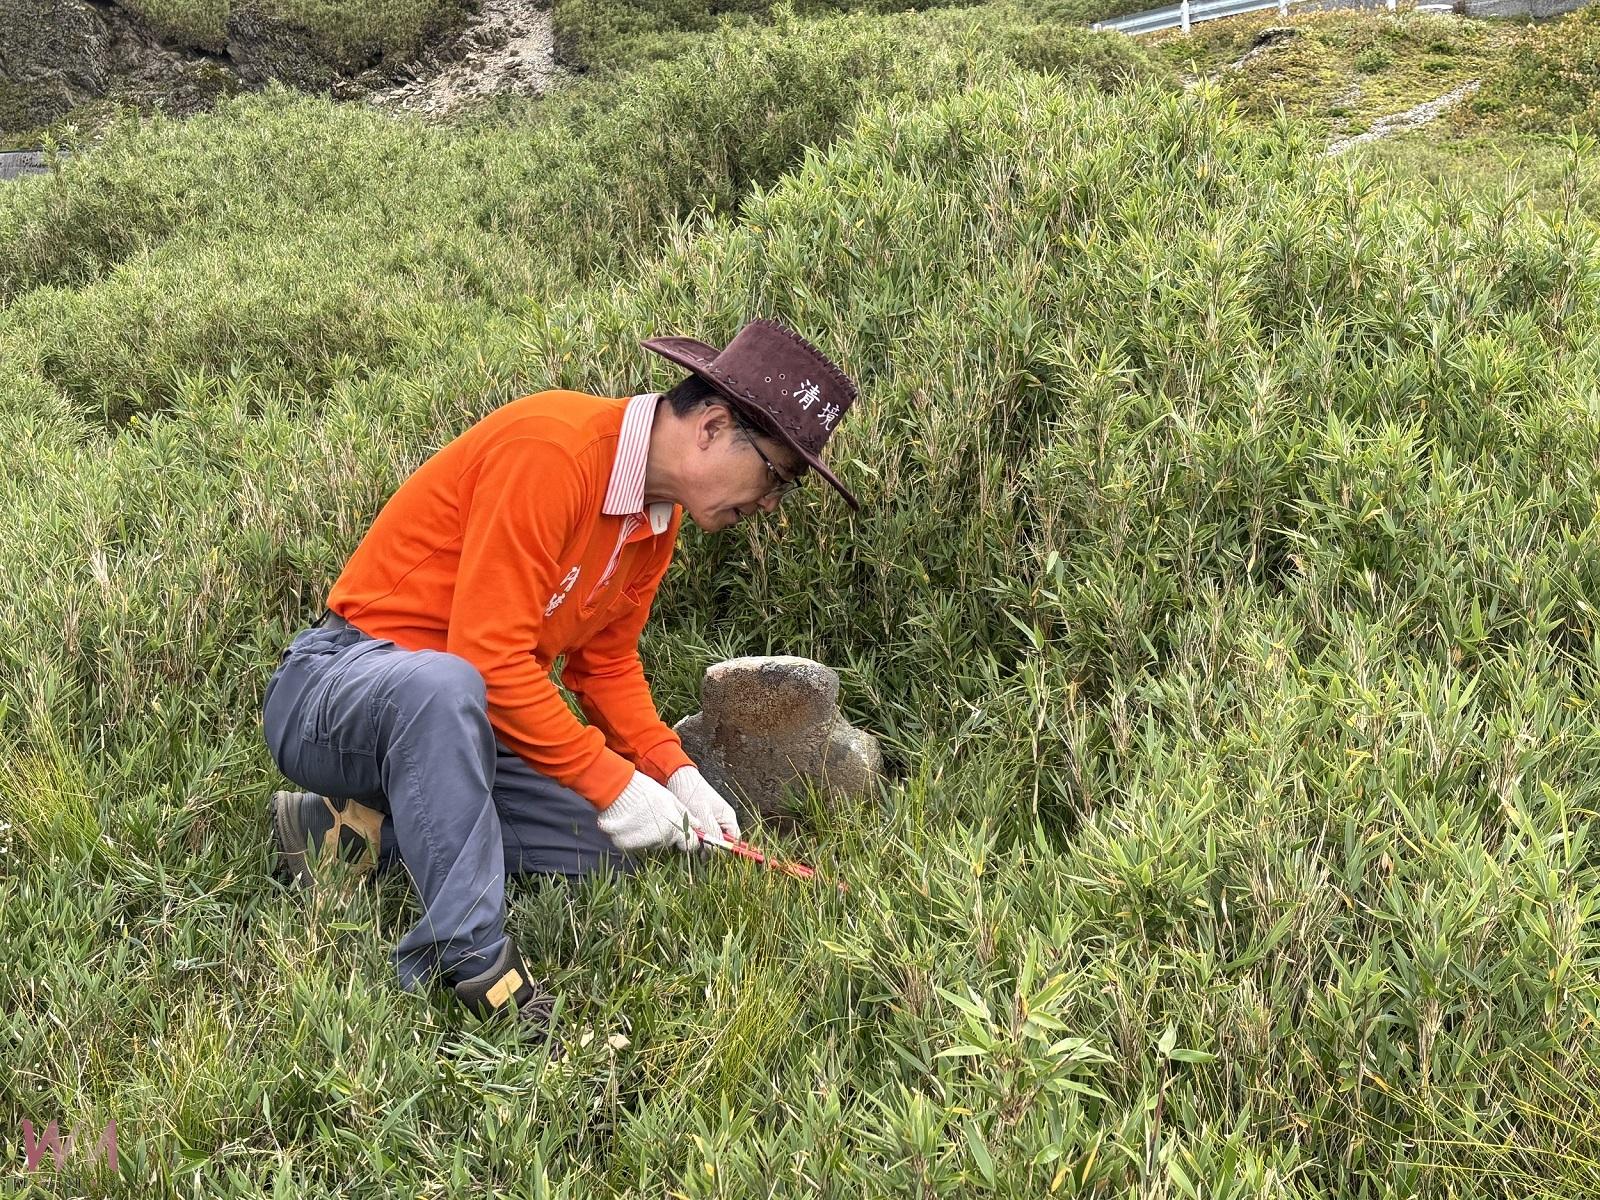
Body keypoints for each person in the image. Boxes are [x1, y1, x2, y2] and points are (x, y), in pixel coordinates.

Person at [259, 317, 860, 1036]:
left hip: (466, 726)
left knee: (614, 846)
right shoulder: (554, 450)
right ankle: (472, 964)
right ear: (712, 426)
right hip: (339, 683)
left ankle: (339, 832)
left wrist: (673, 774)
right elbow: (486, 659)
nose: (768, 504)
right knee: (445, 686)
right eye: (776, 476)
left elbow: (605, 665)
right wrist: (610, 780)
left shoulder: (655, 520)